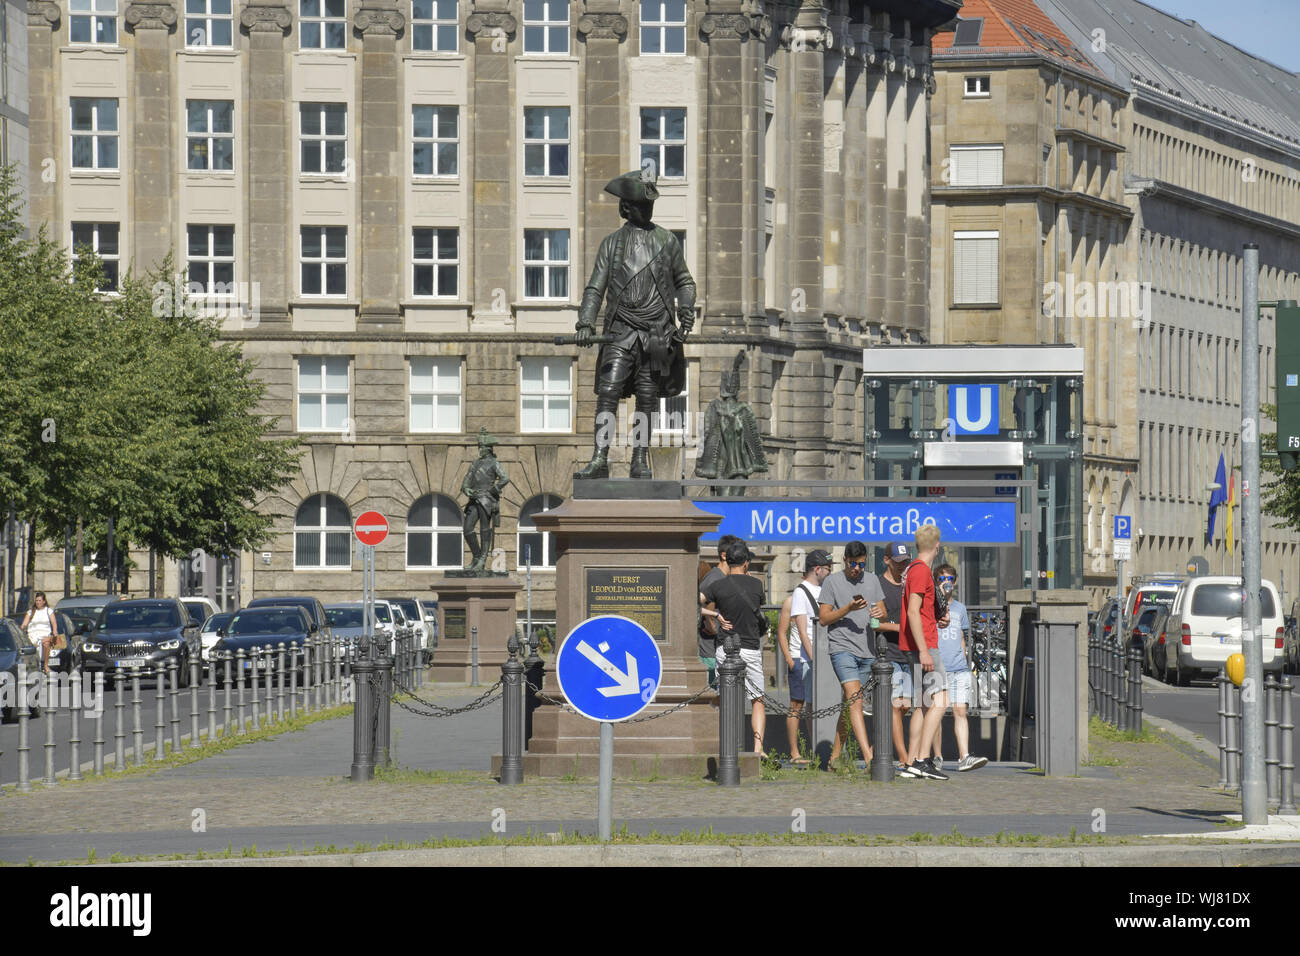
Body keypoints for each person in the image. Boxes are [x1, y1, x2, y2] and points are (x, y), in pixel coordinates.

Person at [574, 169, 697, 479]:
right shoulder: (612, 244)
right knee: (609, 390)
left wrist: (686, 307)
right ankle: (600, 456)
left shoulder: (666, 241)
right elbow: (595, 287)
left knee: (646, 397)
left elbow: (684, 281)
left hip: (656, 333)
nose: (648, 210)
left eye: (650, 205)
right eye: (642, 205)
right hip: (621, 330)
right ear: (626, 208)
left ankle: (639, 458)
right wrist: (586, 321)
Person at [701, 540, 768, 753]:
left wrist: (716, 615)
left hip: (724, 648)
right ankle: (758, 749)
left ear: (727, 561)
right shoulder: (757, 585)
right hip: (750, 647)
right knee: (758, 699)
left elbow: (694, 602)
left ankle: (726, 745)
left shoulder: (717, 586)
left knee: (728, 697)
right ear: (746, 562)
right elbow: (758, 608)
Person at [819, 540, 882, 766]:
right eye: (853, 563)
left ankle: (834, 758)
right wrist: (848, 608)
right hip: (841, 648)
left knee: (849, 704)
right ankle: (869, 758)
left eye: (861, 564)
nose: (856, 568)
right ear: (844, 560)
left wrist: (878, 611)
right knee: (855, 702)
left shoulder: (873, 580)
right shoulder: (831, 582)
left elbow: (882, 610)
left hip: (867, 650)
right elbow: (824, 619)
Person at [899, 525, 949, 780]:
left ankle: (911, 760)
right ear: (937, 546)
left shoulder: (912, 570)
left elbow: (917, 610)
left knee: (922, 704)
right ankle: (921, 759)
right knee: (941, 701)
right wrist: (924, 651)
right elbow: (912, 611)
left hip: (917, 643)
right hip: (924, 646)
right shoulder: (921, 572)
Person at [776, 549, 832, 763]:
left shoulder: (826, 590)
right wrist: (791, 659)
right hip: (803, 659)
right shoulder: (798, 594)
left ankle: (818, 749)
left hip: (819, 656)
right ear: (817, 569)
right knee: (797, 705)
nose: (829, 573)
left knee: (814, 704)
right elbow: (795, 630)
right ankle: (795, 752)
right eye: (827, 569)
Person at [935, 563, 987, 772]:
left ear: (955, 582)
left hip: (958, 667)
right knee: (936, 712)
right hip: (938, 666)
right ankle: (937, 756)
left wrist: (965, 658)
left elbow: (962, 635)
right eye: (941, 579)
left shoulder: (960, 608)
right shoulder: (930, 605)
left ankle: (964, 756)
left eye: (949, 579)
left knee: (960, 710)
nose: (945, 583)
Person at [873, 542, 918, 774]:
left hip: (908, 653)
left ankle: (878, 746)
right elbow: (873, 623)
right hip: (888, 653)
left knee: (904, 706)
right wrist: (900, 628)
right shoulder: (878, 585)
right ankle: (903, 757)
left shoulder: (909, 585)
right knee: (896, 705)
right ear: (887, 560)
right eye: (899, 562)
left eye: (906, 562)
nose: (903, 567)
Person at [460, 427, 510, 573]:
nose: (479, 449)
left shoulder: (494, 463)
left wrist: (493, 490)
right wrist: (466, 489)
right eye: (479, 447)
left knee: (484, 529)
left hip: (486, 500)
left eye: (481, 447)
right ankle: (476, 556)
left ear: (487, 449)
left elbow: (505, 478)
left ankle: (482, 560)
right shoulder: (475, 463)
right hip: (474, 499)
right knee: (467, 529)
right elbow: (467, 480)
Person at [698, 534, 743, 688]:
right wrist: (712, 624)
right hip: (710, 648)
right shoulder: (715, 578)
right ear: (724, 555)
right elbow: (700, 604)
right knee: (714, 692)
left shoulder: (723, 577)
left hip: (718, 646)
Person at [21, 591, 60, 674]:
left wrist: (55, 631)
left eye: (39, 600)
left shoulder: (49, 611)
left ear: (44, 601)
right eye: (36, 600)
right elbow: (24, 624)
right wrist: (22, 629)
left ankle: (45, 665)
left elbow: (54, 623)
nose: (38, 602)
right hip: (32, 636)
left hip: (45, 635)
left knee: (46, 642)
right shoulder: (30, 612)